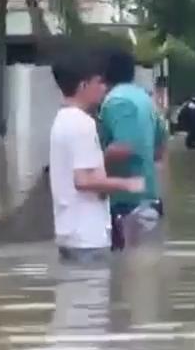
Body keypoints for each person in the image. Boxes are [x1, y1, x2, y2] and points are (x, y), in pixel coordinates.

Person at [49, 50, 145, 264]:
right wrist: (128, 184)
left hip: (69, 231)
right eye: (99, 82)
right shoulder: (83, 124)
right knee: (92, 285)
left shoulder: (62, 120)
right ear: (84, 86)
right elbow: (84, 181)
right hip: (88, 236)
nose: (104, 88)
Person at [99, 49, 165, 251]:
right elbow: (160, 149)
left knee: (125, 263)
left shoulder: (116, 101)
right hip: (149, 197)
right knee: (140, 264)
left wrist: (95, 171)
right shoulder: (146, 99)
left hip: (126, 204)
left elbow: (124, 147)